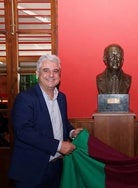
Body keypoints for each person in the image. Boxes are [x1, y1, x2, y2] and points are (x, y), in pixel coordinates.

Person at [8, 54, 82, 188]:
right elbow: (23, 132)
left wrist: (72, 132)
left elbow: (63, 123)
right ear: (37, 74)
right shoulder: (25, 98)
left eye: (55, 71)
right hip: (30, 171)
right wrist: (59, 146)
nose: (51, 75)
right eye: (46, 70)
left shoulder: (62, 98)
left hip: (57, 168)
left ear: (60, 74)